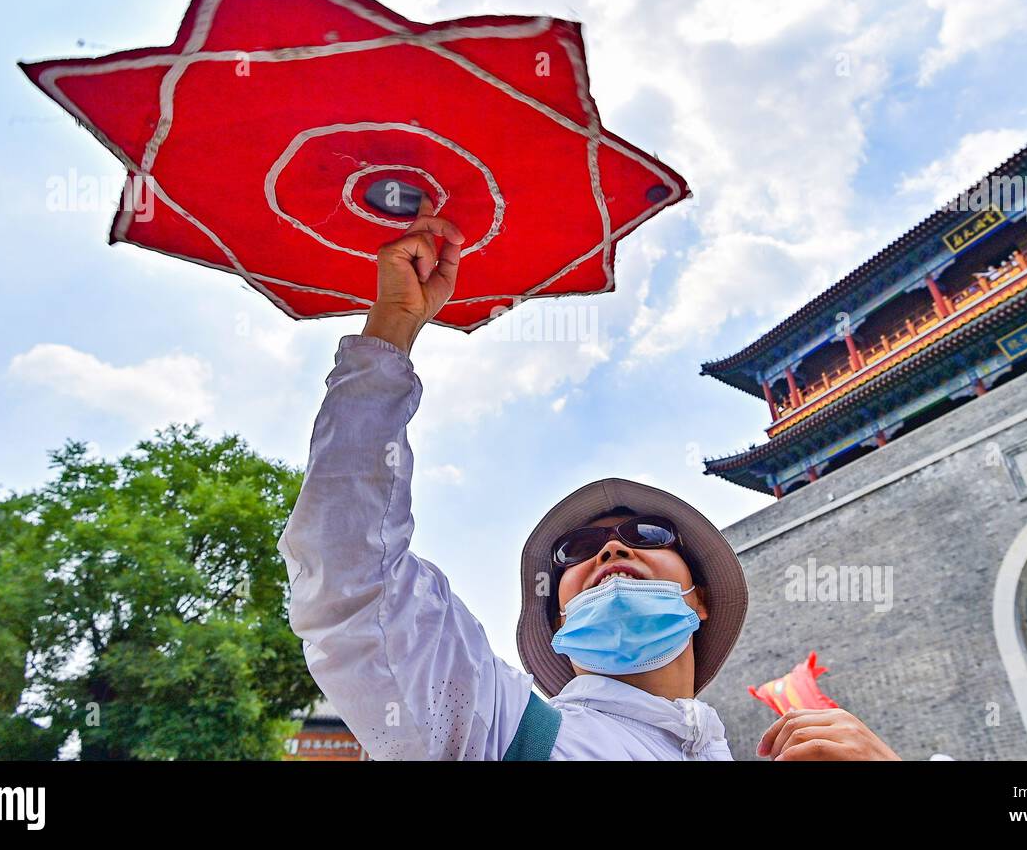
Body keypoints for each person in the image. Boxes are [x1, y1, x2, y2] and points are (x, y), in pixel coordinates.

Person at [277, 206, 905, 761]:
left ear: (701, 598)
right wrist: (391, 329)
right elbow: (351, 575)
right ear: (558, 625)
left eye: (648, 533)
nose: (611, 549)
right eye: (575, 552)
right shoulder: (497, 732)